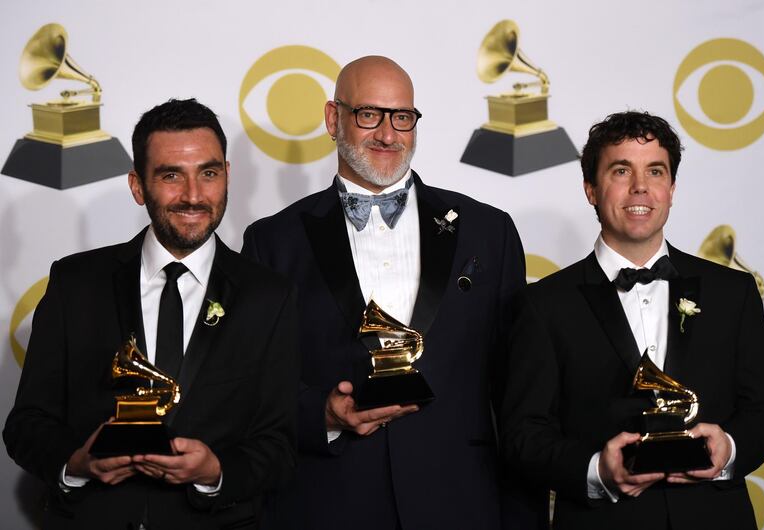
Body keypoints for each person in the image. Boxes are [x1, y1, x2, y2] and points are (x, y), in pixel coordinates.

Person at [242, 56, 545, 529]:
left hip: (461, 501)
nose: (388, 134)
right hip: (327, 503)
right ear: (332, 118)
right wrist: (321, 413)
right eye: (369, 115)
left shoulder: (489, 232)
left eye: (402, 117)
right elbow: (256, 387)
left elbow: (518, 392)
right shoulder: (273, 242)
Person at [3, 98, 300, 529]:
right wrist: (77, 463)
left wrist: (215, 472)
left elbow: (280, 445)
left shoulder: (268, 296)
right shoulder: (76, 283)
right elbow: (27, 425)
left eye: (209, 173)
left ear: (228, 177)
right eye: (171, 175)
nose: (194, 195)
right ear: (138, 185)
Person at [501, 110, 764, 529]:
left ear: (671, 188)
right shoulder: (542, 305)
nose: (641, 186)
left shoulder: (734, 293)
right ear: (591, 189)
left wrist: (728, 448)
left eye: (655, 171)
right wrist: (597, 470)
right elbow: (522, 434)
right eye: (621, 170)